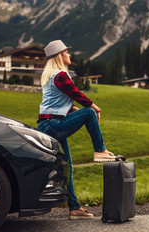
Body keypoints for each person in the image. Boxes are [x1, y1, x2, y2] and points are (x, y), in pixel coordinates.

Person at [37, 40, 116, 220]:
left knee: (68, 167)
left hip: (48, 125)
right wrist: (94, 109)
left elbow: (60, 103)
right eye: (66, 52)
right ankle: (100, 150)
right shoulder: (60, 75)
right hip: (53, 125)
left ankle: (74, 208)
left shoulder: (52, 76)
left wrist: (77, 111)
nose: (70, 55)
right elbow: (76, 94)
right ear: (59, 56)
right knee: (89, 112)